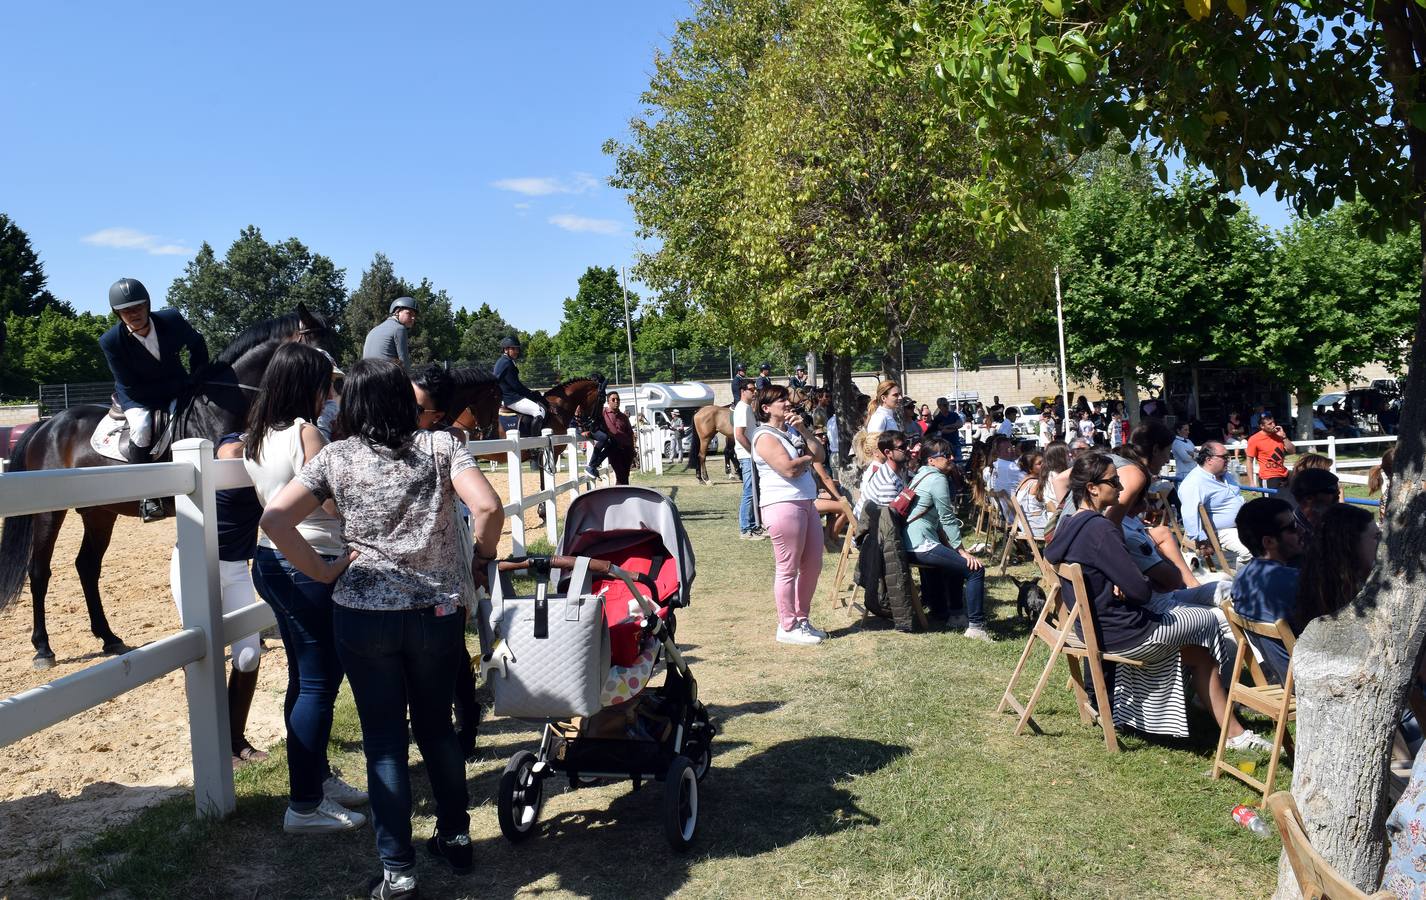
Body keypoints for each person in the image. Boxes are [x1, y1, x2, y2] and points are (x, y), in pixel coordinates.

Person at [259, 358, 504, 898]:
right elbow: (486, 506)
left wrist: (322, 570)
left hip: (363, 613)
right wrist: (478, 563)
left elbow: (274, 519)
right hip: (436, 612)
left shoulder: (337, 456)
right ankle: (457, 836)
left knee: (385, 743)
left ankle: (397, 868)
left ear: (353, 404)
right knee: (437, 727)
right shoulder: (440, 446)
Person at [1043, 453, 1270, 747]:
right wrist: (1132, 582)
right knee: (1211, 618)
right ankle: (1200, 709)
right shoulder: (1101, 529)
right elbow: (1140, 592)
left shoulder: (1070, 524)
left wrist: (1119, 580)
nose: (1121, 487)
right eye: (1114, 481)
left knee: (1202, 657)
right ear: (1092, 488)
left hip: (1097, 629)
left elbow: (1088, 568)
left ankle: (1228, 729)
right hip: (1125, 633)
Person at [242, 343, 368, 834]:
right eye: (327, 385)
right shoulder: (305, 433)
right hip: (311, 559)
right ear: (308, 386)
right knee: (317, 682)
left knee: (303, 676)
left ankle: (314, 778)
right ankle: (305, 804)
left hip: (271, 561)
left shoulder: (257, 436)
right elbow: (334, 505)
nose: (331, 394)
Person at [168, 433, 268, 767]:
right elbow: (228, 452)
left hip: (238, 566)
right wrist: (256, 435)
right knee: (201, 656)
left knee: (249, 655)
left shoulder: (269, 458)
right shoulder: (234, 442)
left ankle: (235, 738)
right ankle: (211, 744)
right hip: (195, 564)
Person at [99, 277, 210, 520]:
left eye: (138, 307)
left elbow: (197, 343)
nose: (133, 313)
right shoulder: (111, 341)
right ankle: (148, 495)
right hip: (137, 395)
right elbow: (131, 386)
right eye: (125, 310)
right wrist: (180, 384)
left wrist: (198, 374)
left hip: (179, 385)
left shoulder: (171, 319)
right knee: (141, 428)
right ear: (117, 314)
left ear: (147, 305)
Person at [750, 384, 827, 645]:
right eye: (780, 400)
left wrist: (804, 431)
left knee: (813, 565)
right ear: (766, 408)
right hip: (782, 504)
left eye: (786, 398)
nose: (787, 402)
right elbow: (789, 469)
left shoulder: (793, 431)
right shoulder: (764, 436)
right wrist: (808, 457)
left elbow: (821, 454)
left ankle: (802, 620)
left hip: (805, 501)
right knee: (788, 568)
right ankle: (787, 625)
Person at [902, 436, 990, 640]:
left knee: (956, 565)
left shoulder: (921, 474)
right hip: (921, 545)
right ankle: (976, 627)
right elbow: (947, 517)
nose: (951, 457)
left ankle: (957, 615)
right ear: (931, 460)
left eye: (950, 453)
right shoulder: (937, 479)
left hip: (912, 543)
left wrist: (954, 549)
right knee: (975, 569)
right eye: (945, 455)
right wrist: (961, 550)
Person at [1230, 498, 1303, 683]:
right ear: (1269, 541)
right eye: (1292, 527)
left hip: (1283, 680)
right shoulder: (1294, 582)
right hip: (1307, 682)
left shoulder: (1241, 579)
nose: (1301, 530)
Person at [1293, 503, 1381, 632]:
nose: (1382, 543)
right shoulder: (1359, 604)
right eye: (1376, 537)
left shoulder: (1314, 586)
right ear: (1351, 546)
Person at [1177, 441, 1252, 566]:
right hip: (1224, 531)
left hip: (1244, 524)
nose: (1228, 460)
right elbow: (1190, 514)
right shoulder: (1194, 482)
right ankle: (1242, 581)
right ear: (1209, 459)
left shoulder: (1225, 475)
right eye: (1224, 457)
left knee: (1273, 539)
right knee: (1250, 551)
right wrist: (1202, 541)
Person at [492, 335, 546, 436]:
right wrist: (532, 394)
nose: (516, 351)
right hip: (512, 398)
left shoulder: (503, 361)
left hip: (507, 396)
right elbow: (516, 386)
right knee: (539, 411)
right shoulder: (507, 363)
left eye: (517, 349)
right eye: (513, 349)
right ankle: (535, 446)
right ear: (506, 349)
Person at [733, 381, 764, 540]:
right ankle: (745, 529)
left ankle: (753, 526)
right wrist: (753, 451)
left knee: (753, 492)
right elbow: (739, 434)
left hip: (749, 455)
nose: (755, 392)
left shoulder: (747, 408)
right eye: (751, 390)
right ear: (743, 391)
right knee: (749, 492)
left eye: (755, 389)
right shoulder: (741, 409)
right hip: (746, 456)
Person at [362, 297, 418, 371]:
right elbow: (404, 361)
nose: (413, 318)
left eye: (414, 315)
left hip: (366, 374)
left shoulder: (373, 330)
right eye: (409, 313)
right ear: (397, 312)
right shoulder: (399, 329)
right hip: (385, 376)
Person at [1288, 466, 1341, 541]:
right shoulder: (1294, 536)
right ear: (1309, 498)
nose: (1338, 492)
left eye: (1337, 488)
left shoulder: (1338, 524)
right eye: (1331, 489)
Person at [1245, 412, 1295, 489]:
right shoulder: (1254, 439)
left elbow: (1292, 451)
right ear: (1262, 426)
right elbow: (1249, 461)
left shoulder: (1279, 435)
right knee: (1272, 501)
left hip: (1284, 474)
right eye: (1269, 424)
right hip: (1268, 478)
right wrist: (1251, 482)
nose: (1273, 425)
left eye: (1273, 422)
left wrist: (1284, 437)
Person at [599, 391, 636, 484]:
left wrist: (632, 450)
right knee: (620, 474)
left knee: (625, 476)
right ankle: (621, 495)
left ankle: (623, 495)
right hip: (614, 449)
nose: (616, 401)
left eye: (618, 399)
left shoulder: (624, 417)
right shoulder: (603, 413)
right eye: (613, 399)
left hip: (627, 450)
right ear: (608, 401)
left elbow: (630, 433)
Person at [1013, 450, 1049, 539]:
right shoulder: (1035, 484)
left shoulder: (1023, 481)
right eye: (1039, 463)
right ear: (1030, 468)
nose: (1044, 465)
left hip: (1026, 526)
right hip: (1036, 527)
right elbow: (1050, 505)